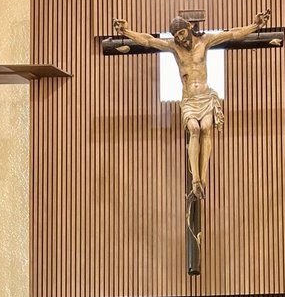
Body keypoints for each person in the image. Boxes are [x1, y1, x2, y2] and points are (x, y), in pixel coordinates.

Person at [112, 10, 271, 198]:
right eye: (176, 35)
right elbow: (148, 40)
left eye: (181, 33)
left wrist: (256, 26)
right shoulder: (173, 47)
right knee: (194, 129)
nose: (179, 38)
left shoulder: (205, 41)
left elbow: (233, 34)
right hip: (189, 99)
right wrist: (126, 32)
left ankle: (202, 180)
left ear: (189, 28)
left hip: (205, 96)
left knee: (206, 128)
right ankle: (196, 180)